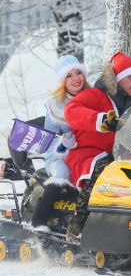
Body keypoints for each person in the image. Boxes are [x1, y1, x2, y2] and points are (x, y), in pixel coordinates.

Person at [64, 52, 131, 243]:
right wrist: (101, 120)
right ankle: (78, 223)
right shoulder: (95, 96)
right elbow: (71, 111)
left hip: (124, 157)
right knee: (105, 169)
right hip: (90, 153)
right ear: (119, 79)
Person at [31, 55, 90, 228]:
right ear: (62, 81)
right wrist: (63, 145)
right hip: (58, 156)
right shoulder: (55, 105)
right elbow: (49, 139)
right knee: (63, 174)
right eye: (69, 75)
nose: (75, 79)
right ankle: (39, 220)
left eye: (78, 73)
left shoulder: (93, 97)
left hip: (85, 153)